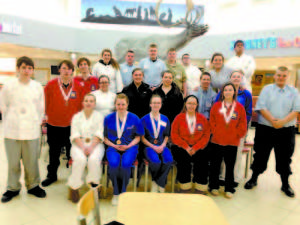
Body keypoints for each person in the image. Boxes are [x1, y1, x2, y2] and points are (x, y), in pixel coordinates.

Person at [244, 66, 300, 198]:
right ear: (275, 76)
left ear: (288, 77)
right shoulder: (267, 89)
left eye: (284, 76)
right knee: (260, 156)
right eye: (279, 75)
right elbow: (261, 107)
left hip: (286, 130)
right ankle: (253, 179)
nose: (281, 78)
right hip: (266, 129)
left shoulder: (294, 91)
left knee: (285, 158)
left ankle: (285, 184)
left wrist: (282, 122)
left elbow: (296, 110)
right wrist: (273, 121)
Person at [0, 56, 46, 203]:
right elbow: (3, 107)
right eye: (24, 67)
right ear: (18, 69)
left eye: (29, 68)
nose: (27, 71)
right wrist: (13, 119)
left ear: (32, 71)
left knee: (31, 161)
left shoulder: (37, 86)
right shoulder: (9, 86)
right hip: (12, 131)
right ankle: (12, 188)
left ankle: (33, 186)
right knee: (13, 162)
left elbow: (41, 108)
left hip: (31, 130)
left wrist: (35, 122)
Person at [42, 60, 83, 187]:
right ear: (59, 70)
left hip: (72, 126)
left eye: (69, 69)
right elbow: (44, 102)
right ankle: (51, 175)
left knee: (74, 154)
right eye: (64, 68)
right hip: (54, 125)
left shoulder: (78, 86)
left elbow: (82, 106)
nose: (66, 71)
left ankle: (75, 177)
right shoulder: (50, 85)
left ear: (72, 71)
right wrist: (44, 117)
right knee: (54, 153)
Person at [104, 94, 144, 205]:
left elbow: (138, 137)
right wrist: (114, 146)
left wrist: (128, 145)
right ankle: (116, 192)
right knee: (114, 164)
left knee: (126, 164)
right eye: (118, 104)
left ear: (127, 104)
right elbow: (104, 138)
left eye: (123, 104)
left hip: (130, 147)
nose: (121, 106)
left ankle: (123, 192)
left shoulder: (134, 118)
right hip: (113, 147)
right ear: (115, 105)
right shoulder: (108, 118)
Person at [209, 82, 247, 198]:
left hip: (232, 142)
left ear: (234, 92)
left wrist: (235, 134)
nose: (228, 92)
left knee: (230, 166)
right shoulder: (216, 106)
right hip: (217, 141)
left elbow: (243, 124)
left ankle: (229, 188)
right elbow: (212, 121)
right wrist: (216, 132)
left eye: (230, 90)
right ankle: (214, 186)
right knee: (215, 165)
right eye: (225, 90)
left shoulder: (239, 108)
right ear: (222, 92)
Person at [216, 70, 252, 185]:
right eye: (234, 76)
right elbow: (216, 108)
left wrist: (242, 128)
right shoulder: (222, 92)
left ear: (241, 79)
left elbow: (248, 112)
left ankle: (234, 178)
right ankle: (222, 177)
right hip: (223, 129)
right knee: (222, 153)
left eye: (238, 77)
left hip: (238, 130)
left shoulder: (246, 94)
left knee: (236, 154)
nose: (236, 78)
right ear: (230, 79)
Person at [67, 94, 105, 203]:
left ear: (94, 104)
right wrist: (83, 147)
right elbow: (75, 134)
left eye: (91, 101)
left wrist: (91, 147)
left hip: (95, 144)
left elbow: (99, 133)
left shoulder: (99, 117)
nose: (88, 103)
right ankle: (74, 188)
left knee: (93, 160)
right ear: (83, 103)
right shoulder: (77, 117)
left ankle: (94, 188)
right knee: (80, 160)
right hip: (79, 144)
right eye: (86, 100)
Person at [171, 95, 211, 194]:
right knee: (183, 161)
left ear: (197, 105)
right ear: (185, 104)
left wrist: (196, 148)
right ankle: (185, 187)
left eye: (193, 103)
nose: (191, 105)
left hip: (198, 146)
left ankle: (200, 187)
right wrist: (186, 147)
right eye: (189, 103)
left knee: (202, 161)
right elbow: (174, 135)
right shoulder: (179, 118)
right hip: (182, 147)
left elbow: (206, 135)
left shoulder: (202, 118)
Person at [141, 95, 173, 193]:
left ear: (161, 105)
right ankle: (157, 182)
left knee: (168, 160)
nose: (156, 105)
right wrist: (153, 146)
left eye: (158, 103)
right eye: (154, 103)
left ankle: (159, 182)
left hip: (163, 145)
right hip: (149, 147)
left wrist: (163, 145)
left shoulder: (165, 118)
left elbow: (167, 135)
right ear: (150, 104)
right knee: (155, 162)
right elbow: (142, 138)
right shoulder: (144, 119)